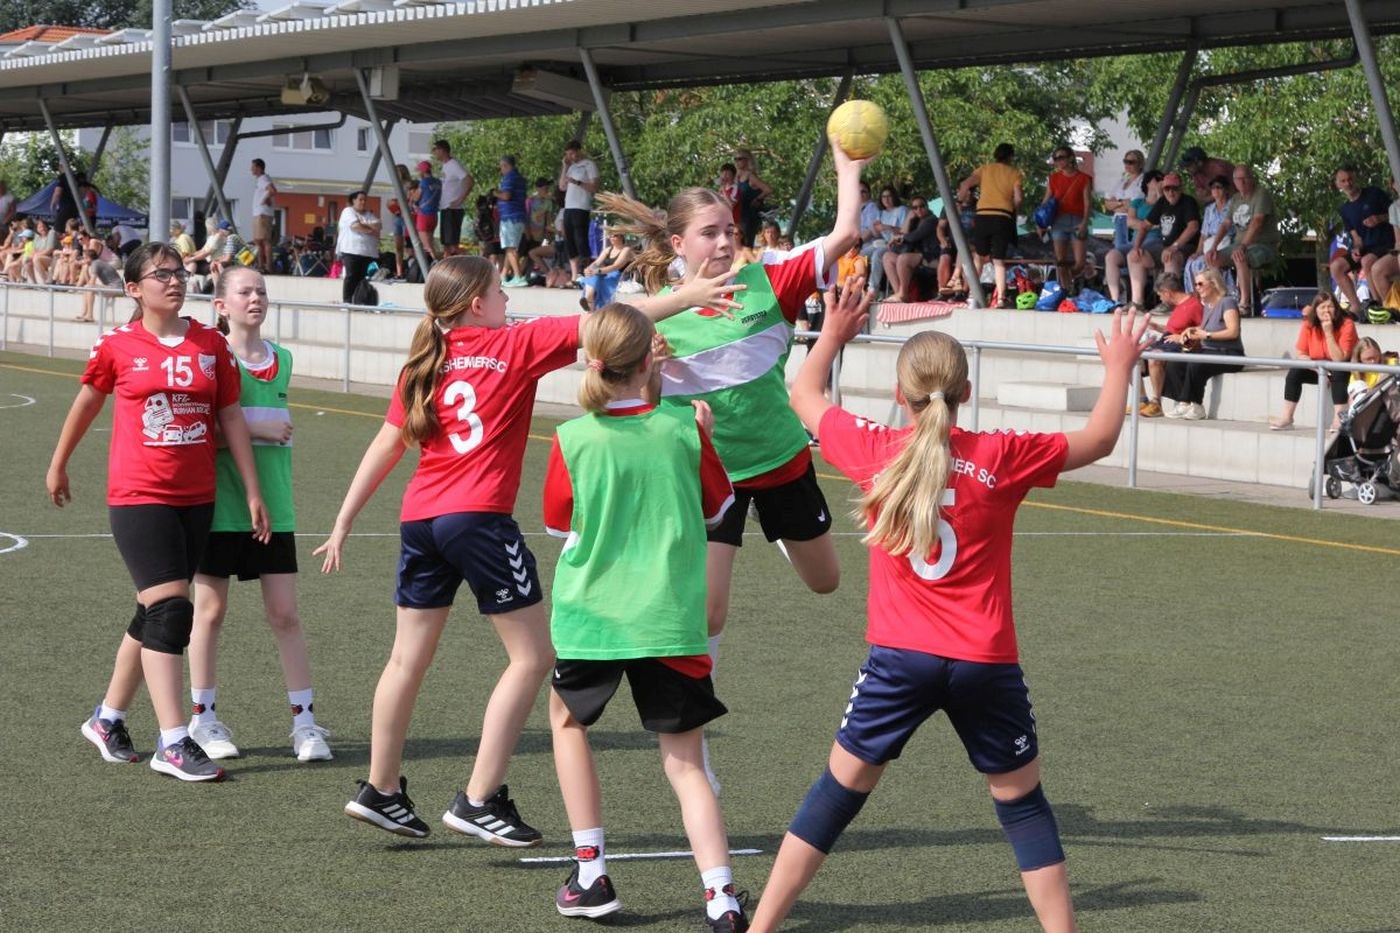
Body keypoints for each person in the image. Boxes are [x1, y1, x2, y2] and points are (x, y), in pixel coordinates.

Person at [747, 282, 1150, 933]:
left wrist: (834, 334)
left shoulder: (875, 449)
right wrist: (1119, 366)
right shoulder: (1001, 455)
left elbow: (803, 395)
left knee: (835, 795)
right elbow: (1101, 437)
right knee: (1022, 805)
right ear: (966, 390)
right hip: (985, 661)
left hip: (898, 662)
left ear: (899, 394)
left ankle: (761, 928)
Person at [314, 254, 723, 841]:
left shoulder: (424, 362)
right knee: (532, 657)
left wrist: (343, 519)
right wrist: (688, 296)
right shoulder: (514, 344)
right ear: (477, 304)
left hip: (419, 519)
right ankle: (479, 797)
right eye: (501, 291)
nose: (508, 301)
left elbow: (387, 443)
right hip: (478, 519)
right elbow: (616, 323)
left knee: (406, 660)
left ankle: (381, 789)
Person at [595, 131, 868, 789]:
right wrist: (653, 368)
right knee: (709, 612)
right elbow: (609, 355)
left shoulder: (767, 281)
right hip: (708, 475)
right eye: (709, 233)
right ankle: (695, 745)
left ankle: (781, 535)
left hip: (781, 459)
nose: (723, 242)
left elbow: (845, 233)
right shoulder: (654, 315)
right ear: (678, 244)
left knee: (826, 581)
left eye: (730, 230)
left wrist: (847, 166)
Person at [541, 303, 746, 929]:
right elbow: (718, 510)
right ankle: (722, 898)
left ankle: (590, 872)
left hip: (592, 619)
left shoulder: (572, 437)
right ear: (647, 361)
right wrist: (700, 434)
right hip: (669, 618)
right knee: (685, 763)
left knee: (567, 725)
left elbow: (557, 525)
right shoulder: (685, 429)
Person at [48, 242, 269, 782]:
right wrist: (59, 463)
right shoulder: (117, 345)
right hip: (138, 496)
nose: (174, 281)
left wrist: (253, 490)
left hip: (197, 498)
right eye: (160, 274)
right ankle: (173, 741)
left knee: (152, 611)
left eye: (179, 273)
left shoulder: (211, 344)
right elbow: (87, 401)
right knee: (172, 611)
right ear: (133, 289)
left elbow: (231, 417)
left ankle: (107, 718)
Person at [182, 266, 329, 762]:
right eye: (244, 291)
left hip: (276, 505)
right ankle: (203, 719)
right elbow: (198, 433)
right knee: (210, 612)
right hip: (220, 505)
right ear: (220, 305)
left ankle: (305, 724)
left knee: (285, 614)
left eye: (261, 291)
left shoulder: (282, 359)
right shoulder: (210, 359)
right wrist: (257, 427)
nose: (255, 298)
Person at [1162, 268, 1245, 420]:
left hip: (1229, 353)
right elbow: (1208, 327)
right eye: (1195, 284)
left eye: (1200, 284)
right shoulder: (1208, 306)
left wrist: (1206, 335)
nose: (1197, 288)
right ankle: (1183, 403)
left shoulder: (1227, 302)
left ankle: (1197, 406)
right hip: (1210, 351)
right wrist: (1192, 330)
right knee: (1176, 362)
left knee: (1196, 363)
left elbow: (1233, 331)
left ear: (1213, 283)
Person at [1268, 291, 1357, 431]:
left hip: (1343, 368)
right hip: (1319, 368)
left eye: (1330, 306)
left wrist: (1328, 333)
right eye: (1322, 307)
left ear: (1336, 309)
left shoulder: (1347, 324)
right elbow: (1301, 354)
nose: (1326, 311)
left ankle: (1339, 418)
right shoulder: (1308, 324)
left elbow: (1339, 359)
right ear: (1315, 310)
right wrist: (1318, 370)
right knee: (1295, 372)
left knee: (1339, 371)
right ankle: (1287, 417)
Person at [959, 142, 1024, 307]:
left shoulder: (985, 169)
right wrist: (1013, 209)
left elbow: (965, 185)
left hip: (983, 215)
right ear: (1011, 157)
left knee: (979, 257)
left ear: (995, 155)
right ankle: (1001, 298)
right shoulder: (1015, 173)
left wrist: (960, 200)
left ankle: (972, 294)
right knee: (998, 260)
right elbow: (1018, 199)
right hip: (1002, 217)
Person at [1133, 271, 1203, 418]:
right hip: (1167, 341)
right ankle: (1142, 400)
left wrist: (1182, 337)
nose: (1160, 298)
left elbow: (1203, 329)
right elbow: (1175, 329)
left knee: (1155, 357)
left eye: (1160, 295)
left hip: (1180, 345)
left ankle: (1156, 403)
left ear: (1167, 292)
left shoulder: (1194, 305)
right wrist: (1158, 327)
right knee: (1130, 355)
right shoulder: (1178, 306)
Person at [1127, 172, 1199, 309]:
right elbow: (1145, 226)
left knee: (1170, 257)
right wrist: (1136, 247)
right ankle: (1137, 303)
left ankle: (1169, 303)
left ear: (1181, 188)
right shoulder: (1162, 202)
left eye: (1174, 188)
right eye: (1167, 189)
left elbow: (1193, 227)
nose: (1171, 192)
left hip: (1186, 247)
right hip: (1165, 247)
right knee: (1134, 256)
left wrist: (1175, 246)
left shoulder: (1188, 202)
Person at [1330, 167, 1395, 314]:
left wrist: (1379, 218)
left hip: (1386, 243)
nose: (1348, 183)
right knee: (1336, 267)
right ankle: (1356, 306)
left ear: (1356, 178)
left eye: (1350, 179)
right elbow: (1356, 238)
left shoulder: (1374, 193)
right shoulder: (1345, 209)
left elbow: (1396, 212)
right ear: (1338, 184)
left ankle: (1378, 305)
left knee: (1367, 260)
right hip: (1366, 248)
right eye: (1343, 181)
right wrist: (1356, 250)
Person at [1227, 165, 1282, 316]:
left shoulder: (1261, 194)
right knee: (1212, 259)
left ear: (1252, 179)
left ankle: (1244, 303)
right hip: (1238, 244)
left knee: (1240, 257)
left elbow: (1257, 222)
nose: (1242, 182)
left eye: (1245, 178)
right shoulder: (1235, 199)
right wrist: (1212, 248)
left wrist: (1243, 246)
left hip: (1262, 245)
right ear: (1234, 181)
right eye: (1238, 179)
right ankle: (1222, 301)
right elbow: (1226, 223)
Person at [1041, 146, 1093, 297]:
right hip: (1058, 221)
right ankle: (1065, 291)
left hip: (1077, 220)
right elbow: (1046, 200)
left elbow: (1088, 203)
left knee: (1080, 262)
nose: (1058, 161)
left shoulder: (1084, 178)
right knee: (1061, 260)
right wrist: (1040, 221)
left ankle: (1068, 280)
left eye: (1061, 157)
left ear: (1070, 158)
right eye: (1055, 158)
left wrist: (1084, 222)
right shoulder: (1053, 178)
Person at [1105, 170, 1163, 304]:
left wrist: (1160, 194)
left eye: (1162, 179)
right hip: (1136, 241)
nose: (1161, 181)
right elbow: (1130, 221)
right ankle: (1114, 300)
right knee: (1111, 256)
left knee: (1136, 254)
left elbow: (1163, 221)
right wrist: (1148, 225)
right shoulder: (1137, 202)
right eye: (1157, 178)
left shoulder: (1164, 202)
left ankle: (1138, 301)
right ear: (1148, 183)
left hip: (1155, 240)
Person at [1183, 175, 1234, 294]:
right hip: (1210, 244)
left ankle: (1216, 293)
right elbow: (1204, 234)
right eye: (1213, 187)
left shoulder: (1232, 205)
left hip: (1227, 242)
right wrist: (1198, 252)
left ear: (1226, 190)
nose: (1215, 190)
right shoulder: (1209, 209)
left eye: (1219, 187)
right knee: (1191, 262)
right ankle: (1196, 295)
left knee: (1203, 262)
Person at [883, 197, 938, 303]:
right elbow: (902, 238)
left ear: (927, 206)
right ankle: (898, 293)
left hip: (932, 257)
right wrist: (908, 219)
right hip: (918, 257)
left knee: (903, 259)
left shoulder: (931, 220)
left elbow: (914, 237)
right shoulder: (915, 221)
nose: (919, 209)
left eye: (922, 206)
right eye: (915, 208)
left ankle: (903, 293)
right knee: (887, 257)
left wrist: (899, 237)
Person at [559, 140, 600, 281]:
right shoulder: (571, 167)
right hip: (568, 206)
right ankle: (574, 274)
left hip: (581, 206)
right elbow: (562, 187)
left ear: (579, 151)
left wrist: (577, 182)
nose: (571, 157)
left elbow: (594, 187)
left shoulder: (589, 165)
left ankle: (585, 270)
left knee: (580, 239)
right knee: (569, 240)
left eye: (573, 153)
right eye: (568, 154)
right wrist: (565, 166)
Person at [337, 190, 382, 304]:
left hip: (367, 252)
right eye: (360, 200)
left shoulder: (368, 214)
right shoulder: (348, 211)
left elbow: (378, 225)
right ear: (354, 200)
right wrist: (369, 229)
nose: (363, 202)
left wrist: (364, 224)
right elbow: (356, 226)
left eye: (364, 200)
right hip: (351, 250)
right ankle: (347, 301)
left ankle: (359, 300)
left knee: (362, 278)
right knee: (351, 276)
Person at [433, 140, 472, 258]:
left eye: (435, 150)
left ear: (442, 150)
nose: (434, 153)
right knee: (446, 245)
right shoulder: (445, 166)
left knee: (453, 246)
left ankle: (470, 261)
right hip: (445, 208)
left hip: (453, 209)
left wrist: (460, 199)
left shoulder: (454, 165)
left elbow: (469, 180)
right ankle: (448, 266)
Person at [579, 229, 634, 312]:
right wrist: (589, 269)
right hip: (605, 273)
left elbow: (616, 266)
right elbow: (597, 262)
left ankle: (589, 302)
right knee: (594, 276)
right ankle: (588, 300)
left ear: (622, 237)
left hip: (617, 276)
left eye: (615, 235)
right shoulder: (608, 249)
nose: (612, 237)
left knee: (597, 277)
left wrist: (598, 271)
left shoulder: (626, 250)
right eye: (610, 235)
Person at [496, 155, 530, 286]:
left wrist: (495, 193)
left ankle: (518, 276)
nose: (501, 170)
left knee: (510, 247)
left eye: (501, 167)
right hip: (519, 215)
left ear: (505, 165)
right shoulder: (520, 179)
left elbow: (506, 196)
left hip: (509, 216)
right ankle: (503, 275)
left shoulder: (509, 178)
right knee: (510, 247)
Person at [867, 186, 908, 296]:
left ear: (894, 197)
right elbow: (876, 234)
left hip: (897, 243)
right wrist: (875, 227)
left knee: (877, 254)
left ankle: (873, 289)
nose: (886, 199)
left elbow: (905, 231)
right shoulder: (881, 213)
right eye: (883, 197)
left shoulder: (902, 210)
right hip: (884, 242)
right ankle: (856, 287)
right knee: (861, 253)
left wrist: (887, 227)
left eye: (889, 196)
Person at [733, 148, 773, 248]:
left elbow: (768, 189)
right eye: (735, 159)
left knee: (746, 245)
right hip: (737, 215)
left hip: (749, 217)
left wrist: (757, 199)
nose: (737, 161)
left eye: (740, 159)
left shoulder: (751, 176)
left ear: (747, 160)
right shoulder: (736, 176)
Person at [250, 159, 277, 274]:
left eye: (253, 167)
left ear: (259, 168)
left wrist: (263, 200)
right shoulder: (262, 179)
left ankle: (267, 267)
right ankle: (261, 266)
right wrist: (266, 199)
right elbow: (270, 192)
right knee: (258, 241)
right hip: (260, 213)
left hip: (262, 214)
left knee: (265, 241)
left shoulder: (263, 179)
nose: (251, 169)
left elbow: (272, 190)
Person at [413, 159, 442, 264]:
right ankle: (429, 264)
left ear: (422, 171)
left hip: (423, 215)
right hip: (433, 216)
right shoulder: (438, 182)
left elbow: (416, 197)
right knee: (430, 243)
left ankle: (436, 263)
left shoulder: (424, 182)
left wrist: (413, 197)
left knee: (426, 245)